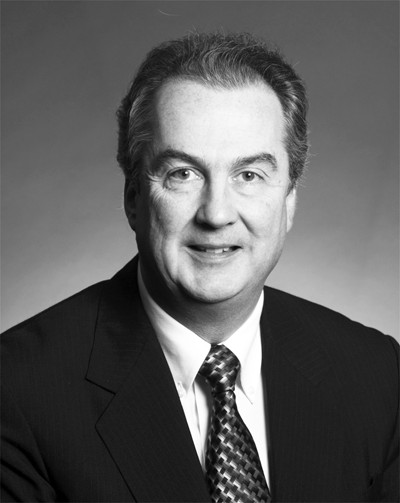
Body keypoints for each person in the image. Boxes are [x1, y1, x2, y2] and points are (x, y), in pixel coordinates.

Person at [1, 31, 398, 503]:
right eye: (183, 174)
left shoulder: (377, 375)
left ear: (289, 202)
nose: (216, 213)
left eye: (249, 175)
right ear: (134, 199)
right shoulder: (19, 390)